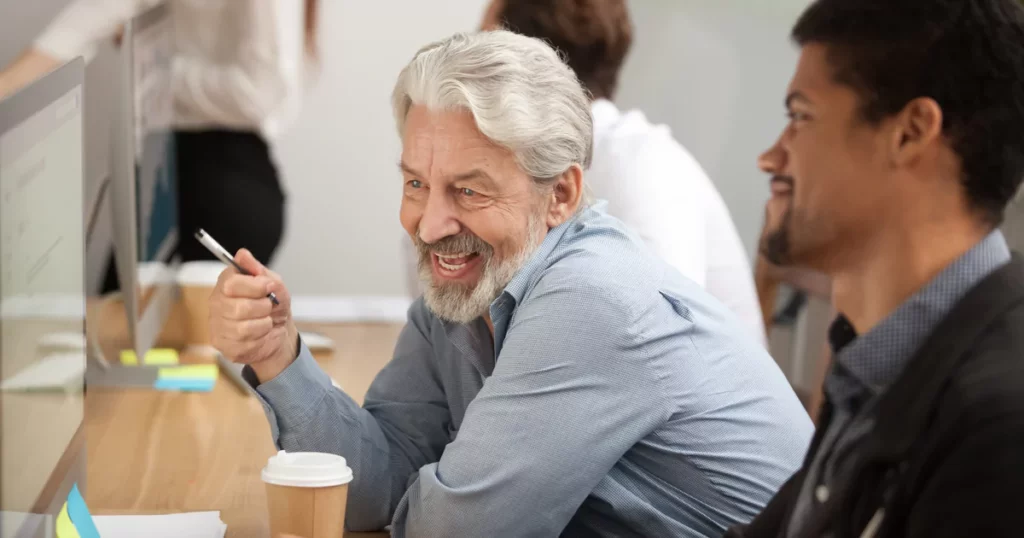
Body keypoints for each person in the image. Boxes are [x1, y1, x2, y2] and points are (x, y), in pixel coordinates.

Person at [210, 30, 813, 537]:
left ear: (562, 195)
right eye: (417, 184)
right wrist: (277, 355)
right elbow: (372, 486)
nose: (429, 224)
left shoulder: (592, 299)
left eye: (469, 190)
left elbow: (453, 530)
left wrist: (444, 488)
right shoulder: (463, 290)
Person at [727, 0, 1024, 537]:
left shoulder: (999, 425)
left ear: (910, 132)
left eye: (800, 117)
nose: (770, 157)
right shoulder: (880, 362)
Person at [479, 0, 767, 345]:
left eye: (482, 49)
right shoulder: (581, 160)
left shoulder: (640, 165)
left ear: (515, 60)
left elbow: (657, 348)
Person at [0, 0, 319, 283]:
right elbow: (68, 35)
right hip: (164, 166)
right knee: (117, 335)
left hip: (228, 185)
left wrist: (153, 66)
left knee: (150, 339)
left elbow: (260, 95)